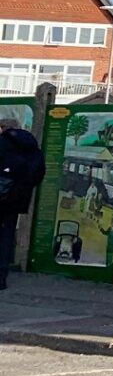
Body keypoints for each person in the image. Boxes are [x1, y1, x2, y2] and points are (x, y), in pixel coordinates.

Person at [0, 119, 47, 290]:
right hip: (16, 200)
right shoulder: (32, 147)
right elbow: (39, 172)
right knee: (6, 236)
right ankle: (1, 278)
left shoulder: (3, 143)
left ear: (3, 128)